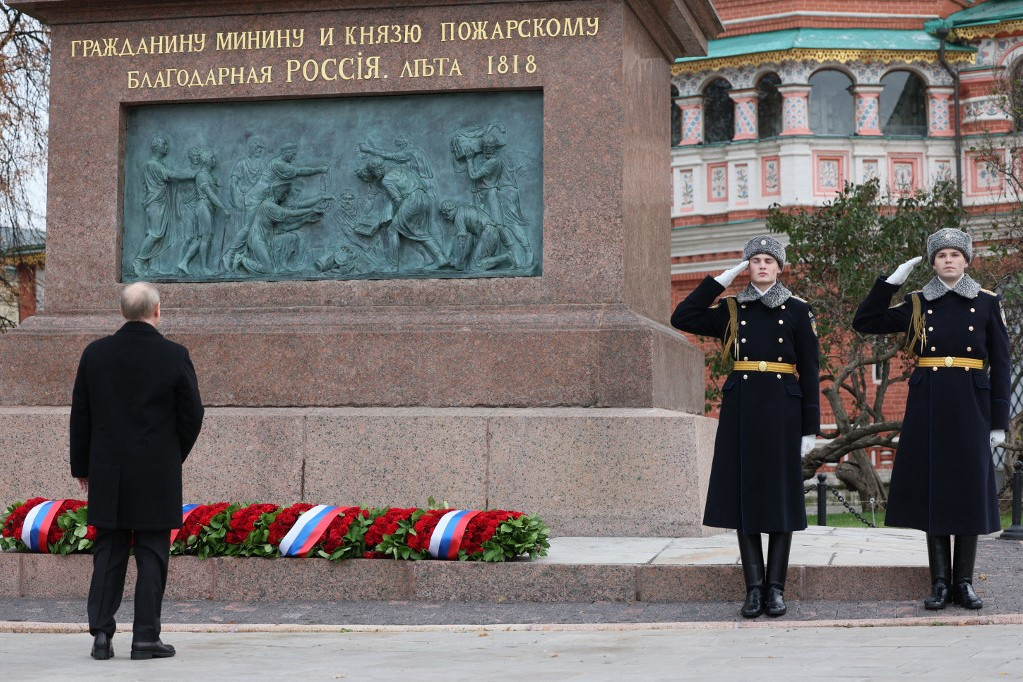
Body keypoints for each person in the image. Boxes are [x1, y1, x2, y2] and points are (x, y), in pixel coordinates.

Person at [853, 227, 1009, 610]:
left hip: (972, 402)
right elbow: (866, 321)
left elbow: (1002, 365)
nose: (949, 260)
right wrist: (890, 282)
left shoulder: (987, 303)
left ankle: (965, 583)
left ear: (967, 261)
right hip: (930, 403)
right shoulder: (917, 302)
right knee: (935, 492)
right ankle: (940, 583)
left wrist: (997, 420)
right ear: (934, 262)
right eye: (941, 256)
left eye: (956, 254)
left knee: (970, 491)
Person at [671, 235, 820, 618]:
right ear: (747, 267)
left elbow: (811, 371)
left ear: (780, 267)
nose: (763, 266)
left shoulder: (799, 310)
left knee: (782, 501)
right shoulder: (732, 309)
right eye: (755, 260)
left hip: (783, 412)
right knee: (746, 501)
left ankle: (776, 589)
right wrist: (719, 281)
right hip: (742, 411)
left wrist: (810, 428)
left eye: (769, 260)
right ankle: (753, 589)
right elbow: (682, 316)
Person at [70, 282, 205, 660]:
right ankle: (146, 637)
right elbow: (193, 414)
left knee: (108, 551)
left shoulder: (95, 354)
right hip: (155, 472)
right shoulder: (174, 355)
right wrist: (170, 455)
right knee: (152, 553)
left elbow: (81, 414)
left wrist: (82, 466)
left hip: (108, 472)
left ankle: (101, 634)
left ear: (123, 312)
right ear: (157, 310)